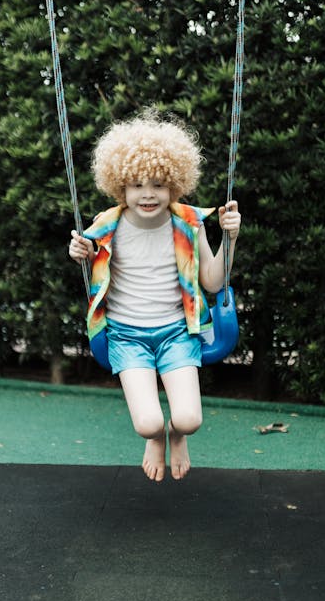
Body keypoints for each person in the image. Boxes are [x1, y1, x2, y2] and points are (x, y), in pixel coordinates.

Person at [69, 110, 241, 482]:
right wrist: (78, 252)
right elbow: (84, 251)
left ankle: (176, 435)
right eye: (137, 185)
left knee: (189, 419)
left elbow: (213, 282)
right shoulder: (105, 226)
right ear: (121, 188)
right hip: (126, 335)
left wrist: (230, 239)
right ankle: (156, 439)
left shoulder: (188, 223)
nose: (148, 194)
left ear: (175, 186)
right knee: (148, 424)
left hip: (178, 332)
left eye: (159, 185)